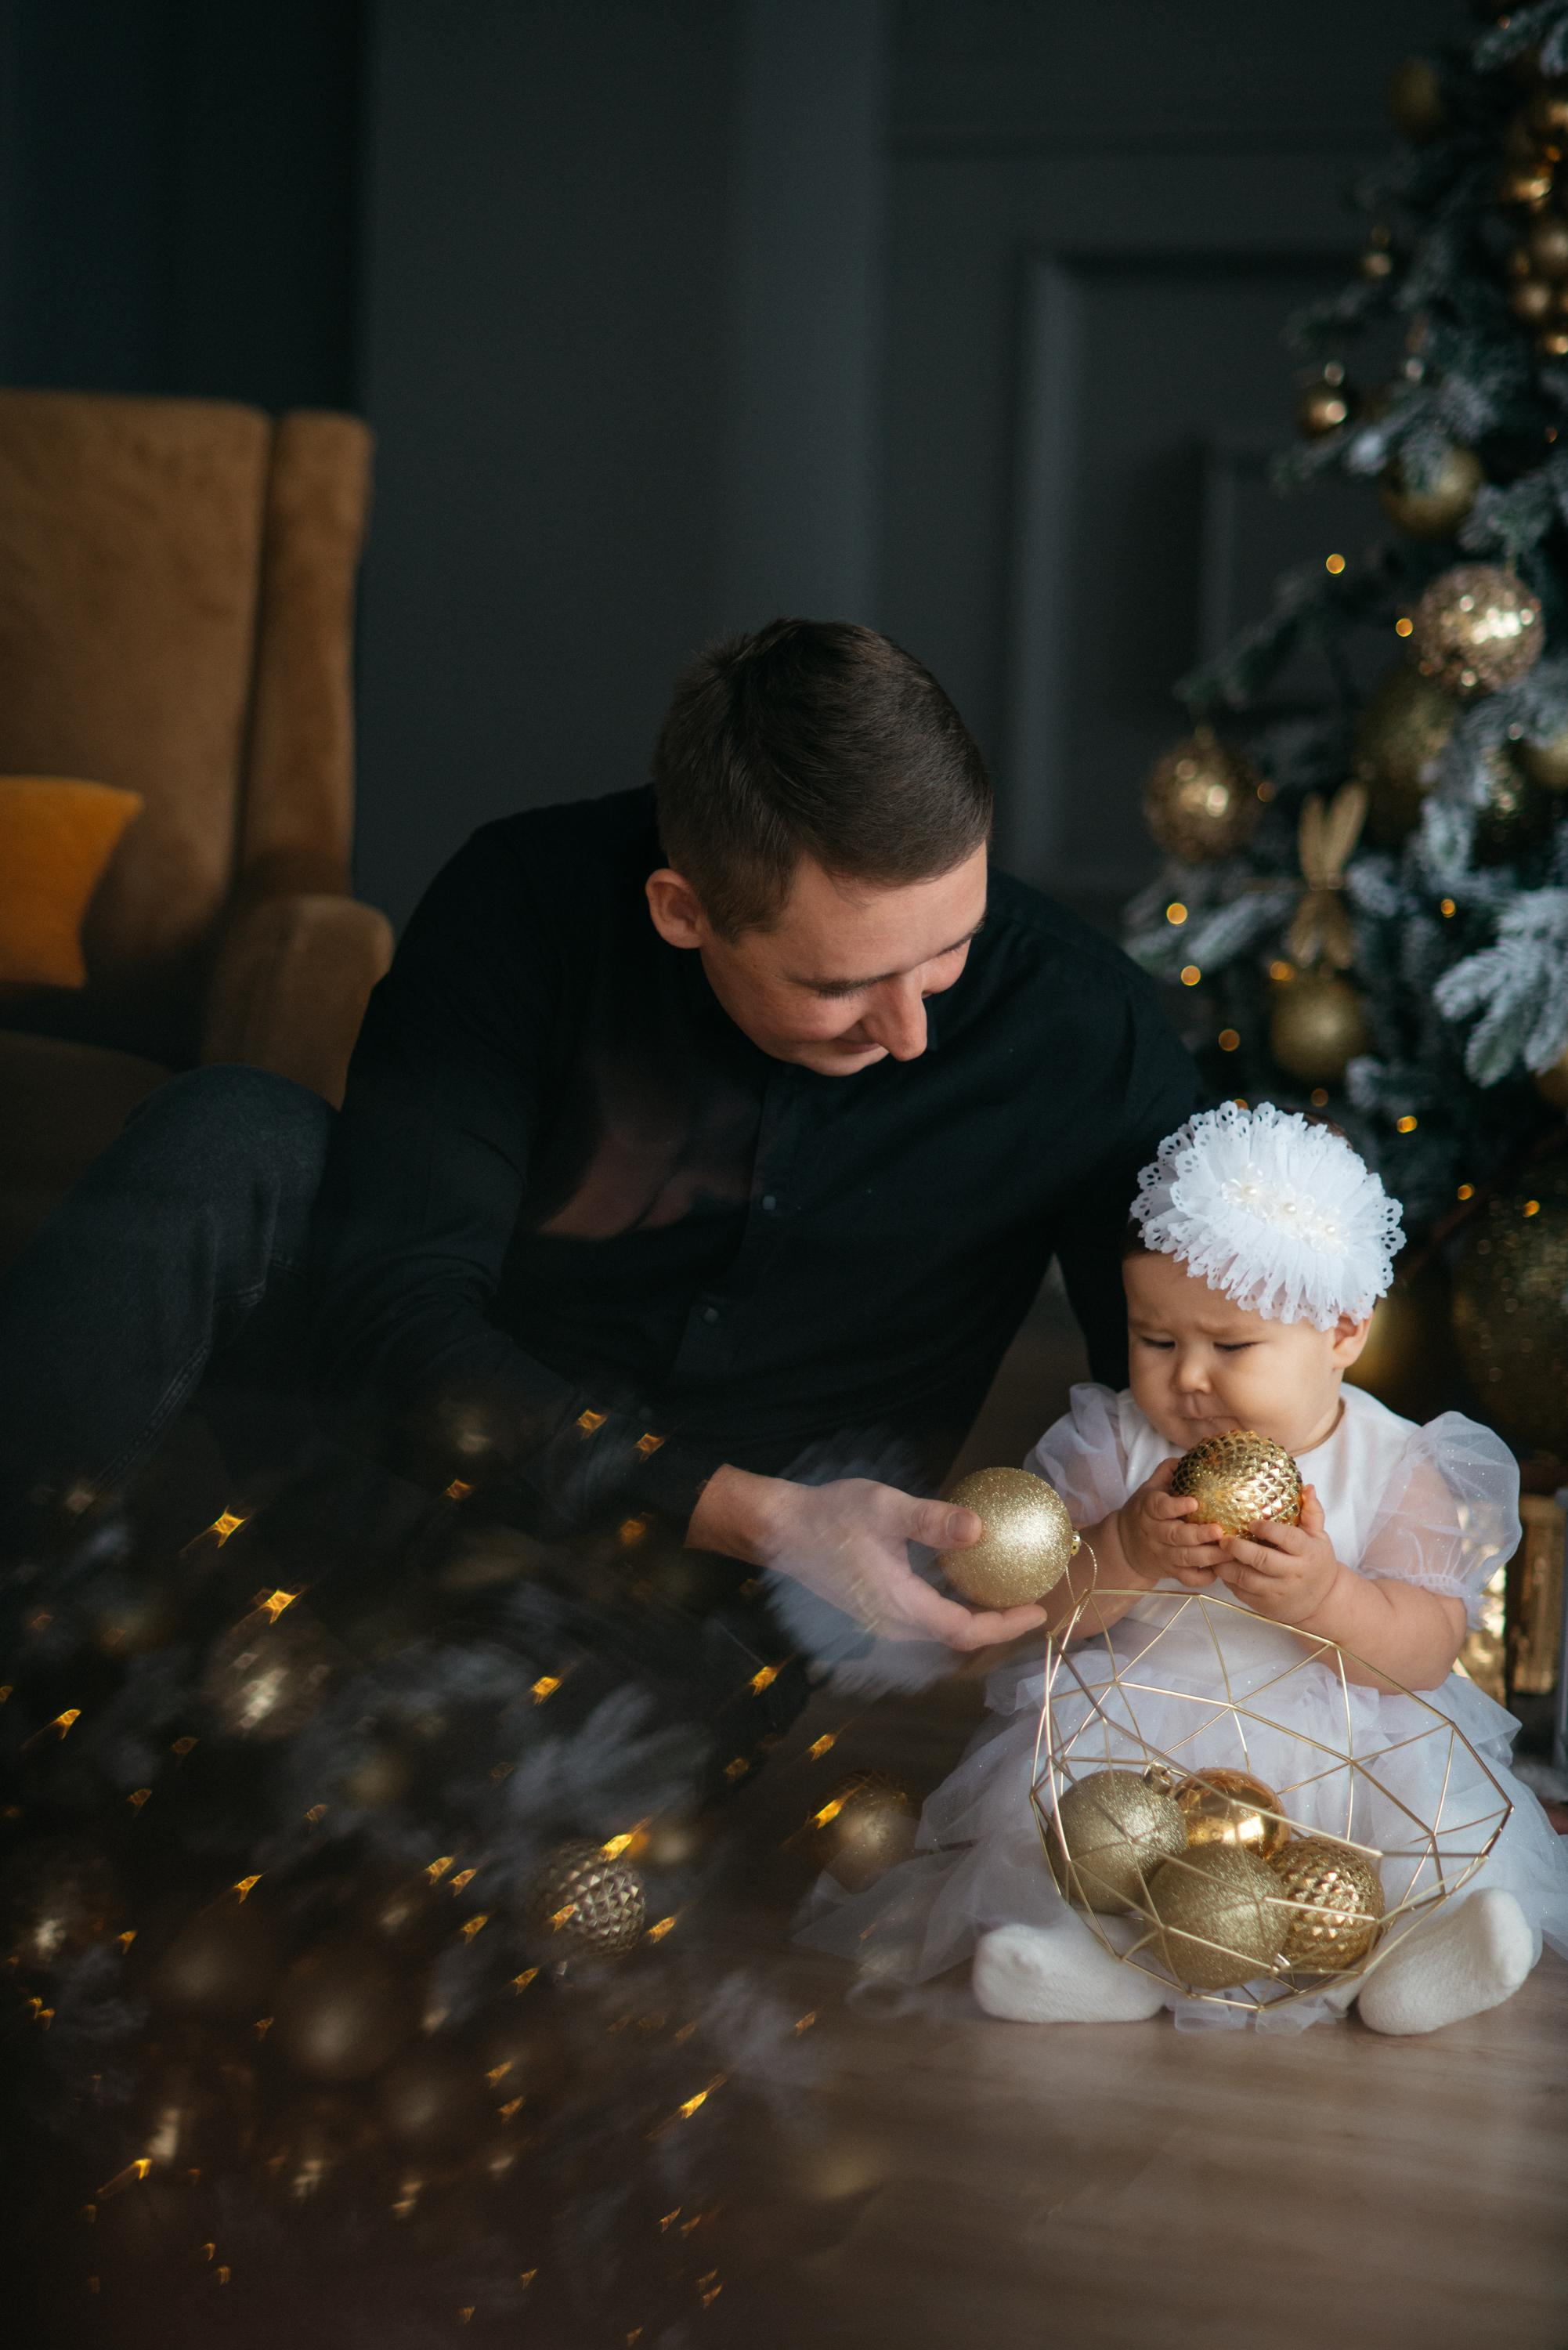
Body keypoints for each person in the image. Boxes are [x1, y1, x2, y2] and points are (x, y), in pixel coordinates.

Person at [0, 619, 1200, 1664]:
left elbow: (1180, 1387)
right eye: (841, 986)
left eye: (949, 951)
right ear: (683, 911)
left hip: (683, 1624)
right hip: (403, 1468)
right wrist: (757, 1511)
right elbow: (393, 1309)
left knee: (350, 1860)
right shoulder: (522, 902)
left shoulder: (1082, 1025)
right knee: (230, 1133)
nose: (908, 1030)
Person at [800, 1103, 1568, 2034]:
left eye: (1230, 1345)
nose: (1187, 1378)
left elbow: (1422, 1655)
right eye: (1156, 1340)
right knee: (1074, 1831)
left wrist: (1328, 1596)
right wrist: (1124, 1547)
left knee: (1420, 1830)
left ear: (1341, 1332)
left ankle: (1416, 1956)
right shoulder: (1114, 1444)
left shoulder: (1394, 1463)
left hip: (1352, 1734)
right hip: (1141, 1729)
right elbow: (1049, 1609)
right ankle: (1086, 1959)